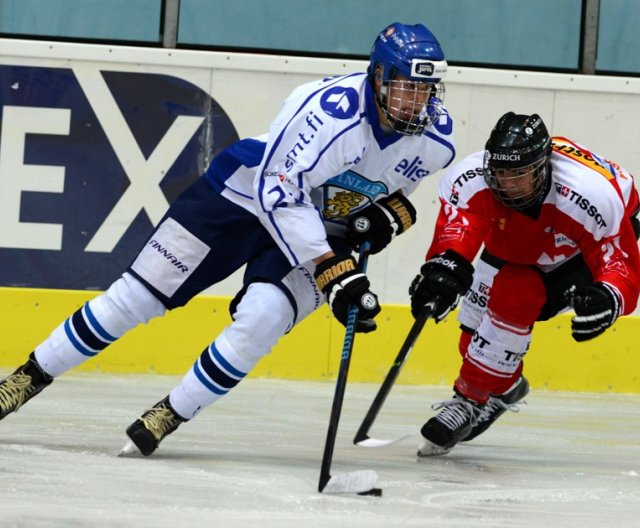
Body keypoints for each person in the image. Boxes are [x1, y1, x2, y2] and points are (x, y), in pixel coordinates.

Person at [0, 22, 455, 456]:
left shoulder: (438, 138)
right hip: (239, 198)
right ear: (379, 76)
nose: (416, 102)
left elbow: (397, 194)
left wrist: (388, 219)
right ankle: (25, 379)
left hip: (318, 228)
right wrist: (332, 269)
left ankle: (170, 413)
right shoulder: (327, 113)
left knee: (264, 318)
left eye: (424, 90)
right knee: (134, 297)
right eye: (406, 88)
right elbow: (278, 192)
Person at [409, 111, 640, 456]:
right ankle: (505, 386)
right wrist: (445, 267)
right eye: (501, 174)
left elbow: (618, 262)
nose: (509, 184)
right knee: (474, 329)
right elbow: (460, 229)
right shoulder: (471, 179)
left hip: (575, 244)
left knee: (516, 293)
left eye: (519, 174)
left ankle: (469, 401)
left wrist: (608, 295)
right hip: (514, 236)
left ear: (544, 166)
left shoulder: (587, 198)